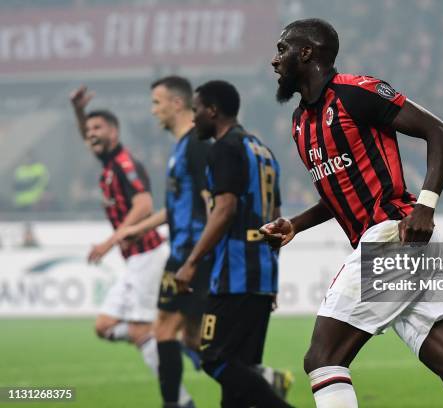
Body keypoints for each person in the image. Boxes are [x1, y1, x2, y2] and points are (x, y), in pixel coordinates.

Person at [262, 18, 443, 407]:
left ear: (307, 53)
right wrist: (296, 224)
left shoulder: (355, 93)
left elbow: (441, 133)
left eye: (282, 50)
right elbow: (339, 194)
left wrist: (426, 208)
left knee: (323, 358)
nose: (274, 61)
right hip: (401, 247)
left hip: (393, 237)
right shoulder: (301, 123)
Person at [174, 80, 293, 408]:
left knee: (213, 358)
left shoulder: (225, 148)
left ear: (212, 110)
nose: (193, 118)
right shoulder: (263, 151)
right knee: (238, 377)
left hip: (234, 276)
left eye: (196, 111)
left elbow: (224, 210)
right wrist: (269, 278)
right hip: (260, 275)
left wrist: (191, 262)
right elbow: (278, 220)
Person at [69, 86, 167, 400]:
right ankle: (166, 340)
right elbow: (88, 136)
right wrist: (78, 111)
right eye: (89, 129)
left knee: (139, 331)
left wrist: (111, 240)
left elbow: (144, 204)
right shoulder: (108, 163)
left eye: (98, 128)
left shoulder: (125, 164)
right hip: (135, 260)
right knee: (104, 325)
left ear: (114, 131)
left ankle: (178, 399)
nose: (91, 133)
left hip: (149, 255)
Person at [117, 76, 209, 408]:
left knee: (166, 330)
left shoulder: (197, 145)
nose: (153, 110)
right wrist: (140, 228)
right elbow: (177, 206)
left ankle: (174, 404)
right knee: (194, 340)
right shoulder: (181, 148)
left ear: (177, 103)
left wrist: (203, 255)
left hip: (192, 254)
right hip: (184, 252)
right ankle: (260, 379)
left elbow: (211, 202)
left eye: (157, 103)